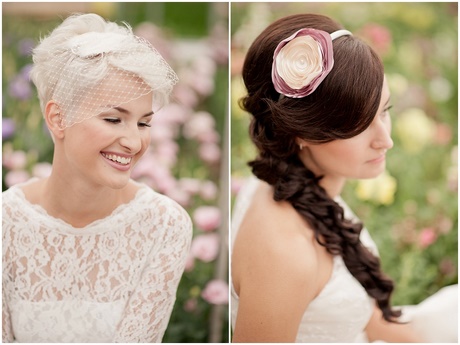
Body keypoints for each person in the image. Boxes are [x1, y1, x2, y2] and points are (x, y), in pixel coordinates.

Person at [230, 13, 457, 343]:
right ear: (301, 133)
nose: (385, 140)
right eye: (361, 126)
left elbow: (370, 321)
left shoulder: (288, 182)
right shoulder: (284, 253)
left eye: (385, 111)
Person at [2, 13, 192, 343]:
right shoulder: (6, 223)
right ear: (58, 118)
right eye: (113, 119)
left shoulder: (164, 226)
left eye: (143, 123)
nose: (134, 142)